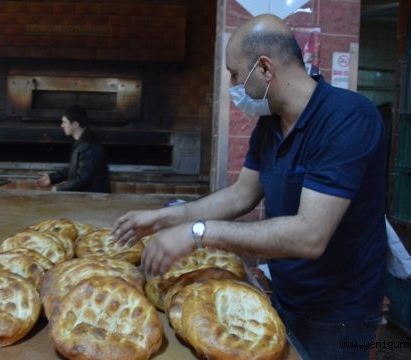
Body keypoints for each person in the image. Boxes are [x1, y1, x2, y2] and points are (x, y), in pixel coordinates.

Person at [112, 14, 386, 360]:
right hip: (286, 296)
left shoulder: (348, 119)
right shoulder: (270, 125)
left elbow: (310, 235)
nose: (233, 85)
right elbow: (241, 194)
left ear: (266, 70)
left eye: (235, 74)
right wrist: (164, 219)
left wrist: (197, 233)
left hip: (340, 313)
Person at [36, 105, 111, 193]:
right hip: (88, 196)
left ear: (75, 124)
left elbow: (83, 179)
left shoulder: (88, 145)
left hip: (93, 199)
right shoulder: (83, 140)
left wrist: (58, 189)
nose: (62, 125)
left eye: (64, 122)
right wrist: (52, 178)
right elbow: (76, 169)